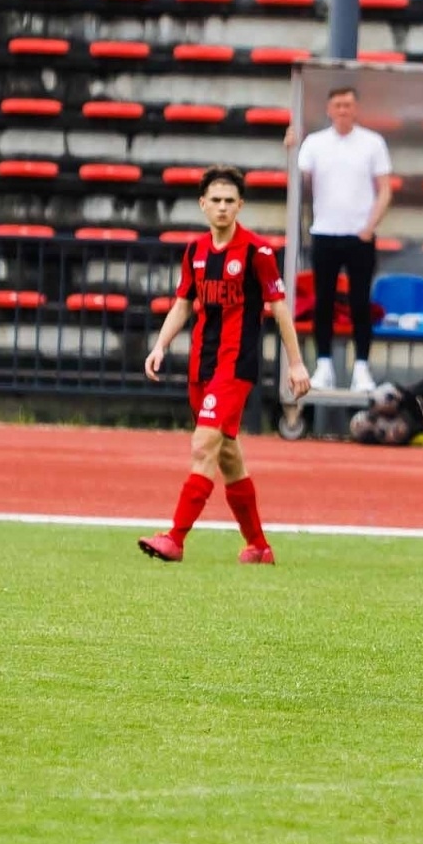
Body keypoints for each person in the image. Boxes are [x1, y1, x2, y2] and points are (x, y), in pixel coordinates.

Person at [138, 167, 312, 564]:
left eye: (229, 201)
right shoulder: (195, 251)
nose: (221, 207)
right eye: (215, 200)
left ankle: (175, 539)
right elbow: (184, 302)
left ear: (240, 206)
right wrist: (160, 345)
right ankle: (259, 547)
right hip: (202, 364)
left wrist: (296, 364)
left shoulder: (257, 252)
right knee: (229, 455)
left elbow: (280, 308)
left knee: (203, 445)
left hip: (235, 366)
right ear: (203, 204)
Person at [290, 86, 393, 393]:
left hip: (359, 235)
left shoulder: (372, 142)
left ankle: (361, 367)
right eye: (338, 105)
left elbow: (385, 188)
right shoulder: (315, 143)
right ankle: (323, 365)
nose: (343, 110)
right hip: (325, 232)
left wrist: (370, 226)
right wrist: (290, 149)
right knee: (324, 300)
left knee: (360, 302)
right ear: (328, 109)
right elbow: (299, 179)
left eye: (348, 105)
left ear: (356, 108)